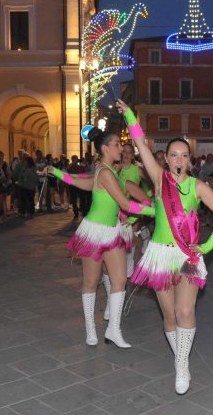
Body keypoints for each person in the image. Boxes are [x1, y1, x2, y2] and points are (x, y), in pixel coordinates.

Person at [118, 99, 213, 395]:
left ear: (190, 160)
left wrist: (206, 246)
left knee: (185, 309)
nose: (178, 159)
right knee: (169, 317)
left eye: (184, 155)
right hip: (159, 256)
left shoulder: (198, 187)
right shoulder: (158, 180)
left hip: (186, 256)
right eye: (173, 155)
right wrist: (129, 114)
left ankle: (182, 364)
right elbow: (141, 143)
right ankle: (179, 356)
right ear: (166, 159)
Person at [45, 127, 154, 348]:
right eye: (116, 144)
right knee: (91, 281)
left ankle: (114, 329)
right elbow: (124, 204)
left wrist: (54, 171)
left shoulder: (107, 171)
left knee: (119, 279)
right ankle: (90, 328)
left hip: (112, 231)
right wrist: (156, 211)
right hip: (94, 232)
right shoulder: (104, 172)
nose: (121, 148)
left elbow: (80, 181)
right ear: (105, 148)